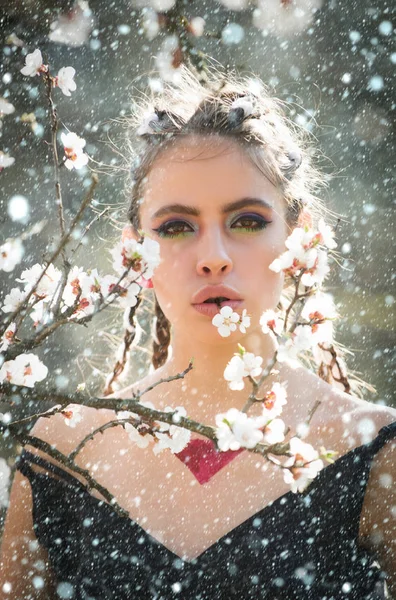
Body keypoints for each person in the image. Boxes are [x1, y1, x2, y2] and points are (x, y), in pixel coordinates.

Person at [1, 66, 395, 600]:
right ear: (133, 254)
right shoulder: (63, 452)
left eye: (248, 221)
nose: (213, 257)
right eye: (177, 227)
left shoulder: (368, 449)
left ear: (298, 239)